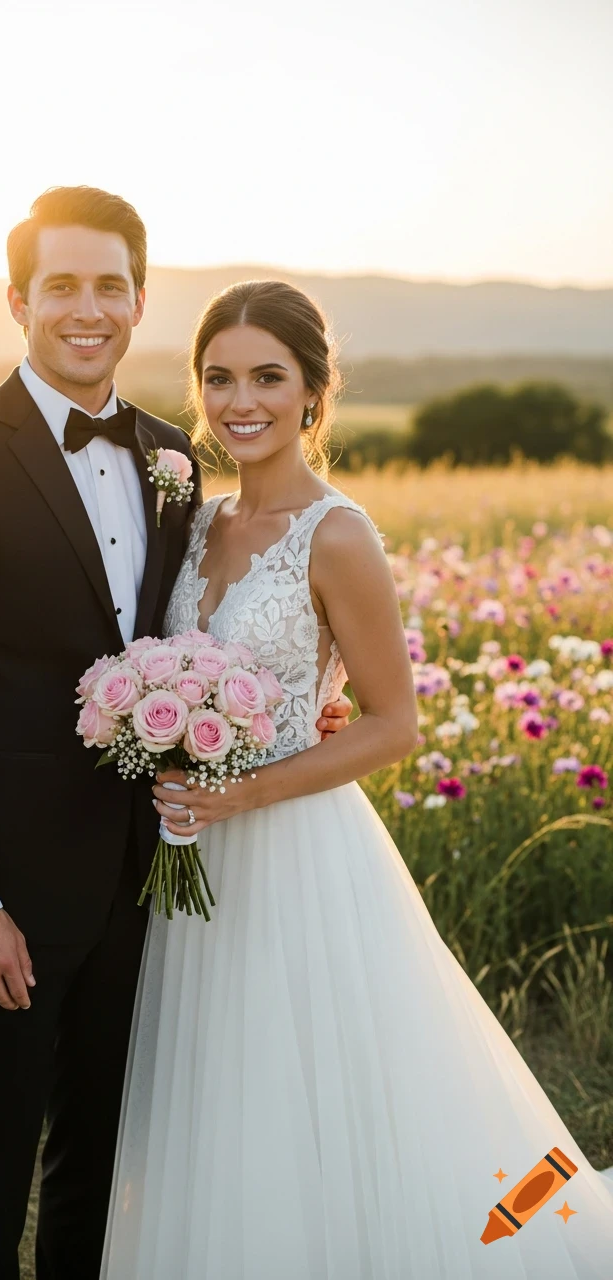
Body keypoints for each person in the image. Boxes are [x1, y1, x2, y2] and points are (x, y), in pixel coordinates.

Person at [0, 190, 353, 1280]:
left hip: (151, 883)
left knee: (103, 1165)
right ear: (16, 301)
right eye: (61, 287)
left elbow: (185, 630)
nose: (85, 310)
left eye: (108, 287)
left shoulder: (170, 454)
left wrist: (277, 711)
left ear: (138, 300)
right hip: (6, 895)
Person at [101, 279, 613, 1279]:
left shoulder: (335, 533)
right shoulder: (192, 523)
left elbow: (393, 723)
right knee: (216, 1089)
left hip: (294, 850)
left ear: (312, 392)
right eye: (216, 377)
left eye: (264, 376)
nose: (237, 400)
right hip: (189, 860)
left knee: (315, 1083)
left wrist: (243, 790)